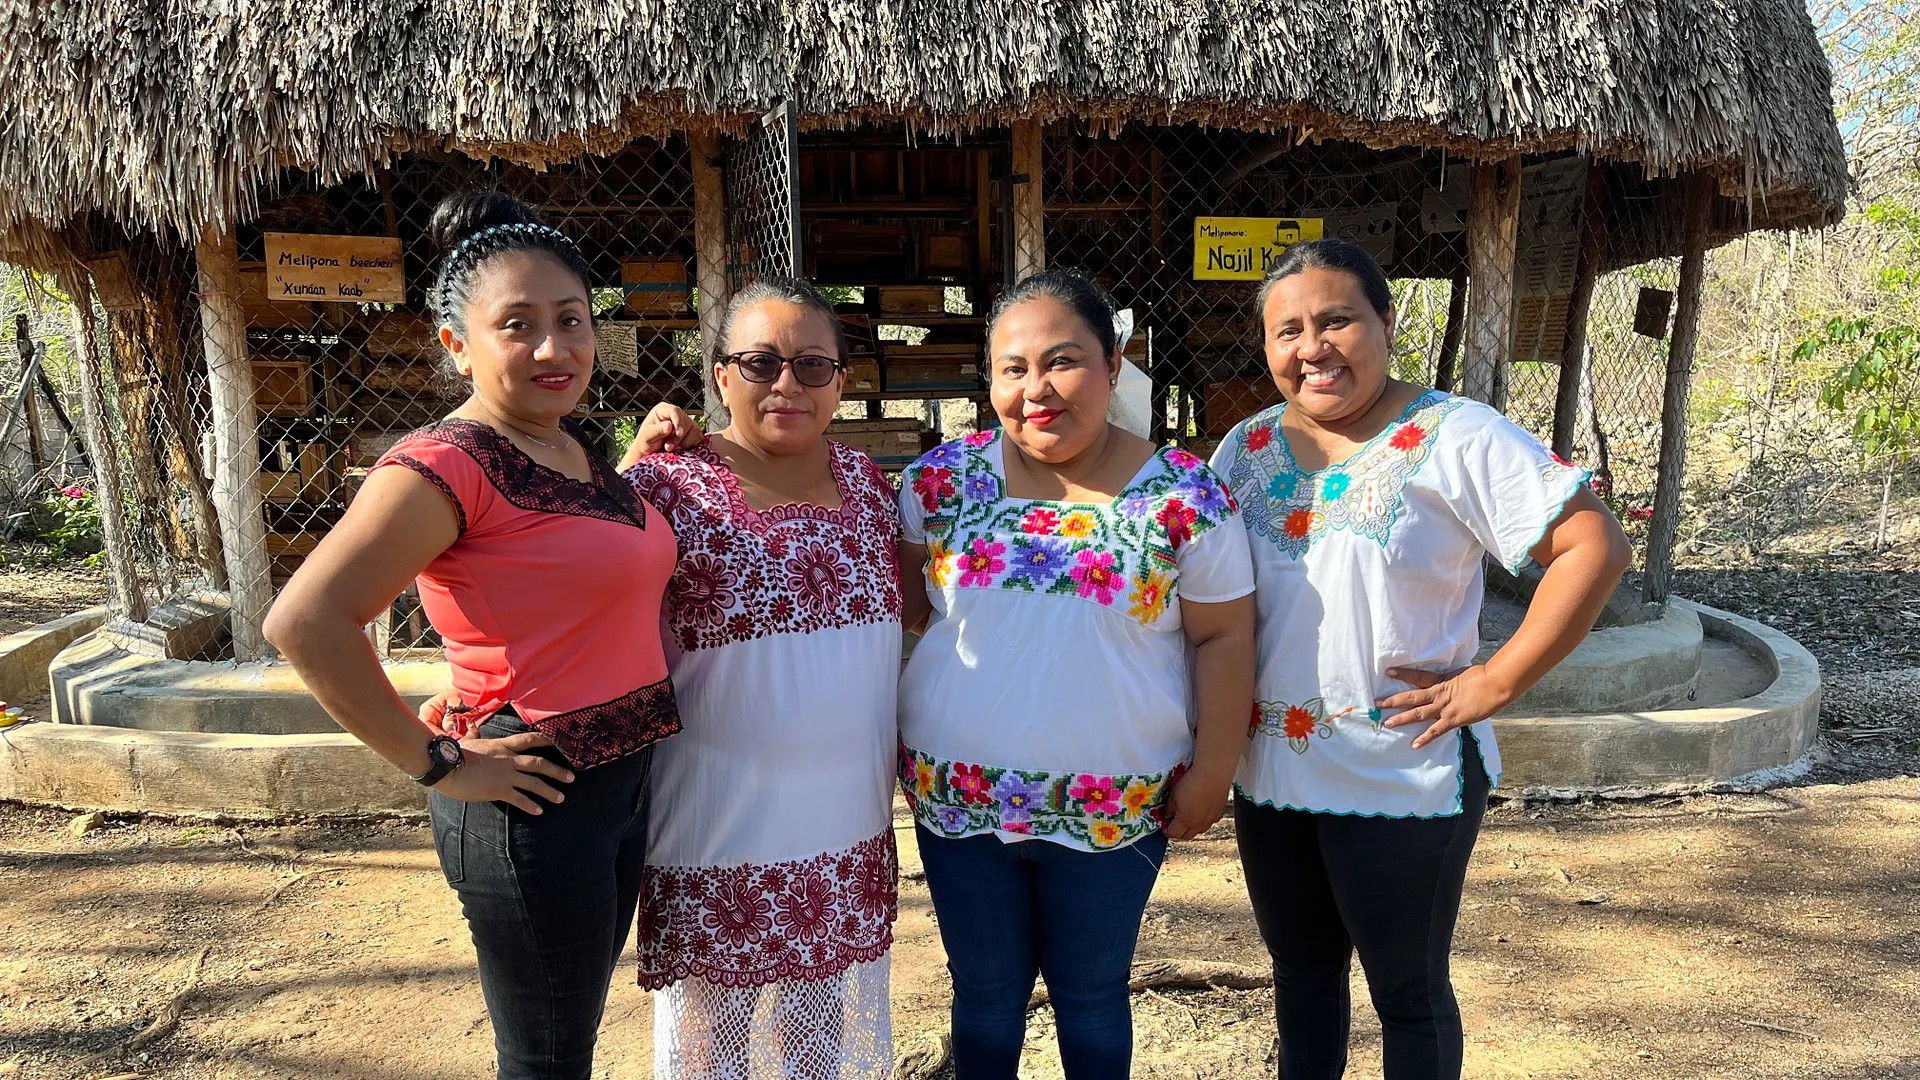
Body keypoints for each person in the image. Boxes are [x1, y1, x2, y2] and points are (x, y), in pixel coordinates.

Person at [263, 191, 680, 1080]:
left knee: (568, 1043)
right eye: (517, 325)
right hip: (529, 798)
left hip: (621, 783)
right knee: (546, 1060)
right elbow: (305, 622)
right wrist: (438, 763)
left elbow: (583, 560)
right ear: (458, 345)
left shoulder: (570, 450)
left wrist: (643, 458)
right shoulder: (445, 465)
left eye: (571, 321)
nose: (553, 348)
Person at [1208, 239, 1633, 1080]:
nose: (1312, 347)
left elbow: (1595, 545)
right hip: (1271, 772)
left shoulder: (1456, 436)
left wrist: (1497, 678)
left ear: (1386, 322)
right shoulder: (1243, 449)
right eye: (1287, 330)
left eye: (1337, 320)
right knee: (1300, 978)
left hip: (1405, 770)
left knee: (1405, 991)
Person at [895, 269, 1256, 1079]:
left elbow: (1225, 638)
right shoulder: (938, 482)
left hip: (1114, 801)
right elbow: (913, 604)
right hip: (956, 797)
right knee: (984, 997)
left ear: (1113, 363)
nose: (1037, 390)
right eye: (1013, 369)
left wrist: (1216, 768)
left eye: (1062, 362)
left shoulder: (1185, 496)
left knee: (1092, 997)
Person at [619, 278, 902, 1079]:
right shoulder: (664, 488)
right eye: (761, 363)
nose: (788, 385)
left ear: (843, 382)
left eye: (814, 366)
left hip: (845, 820)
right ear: (718, 377)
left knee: (821, 1028)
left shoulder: (871, 490)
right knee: (719, 1037)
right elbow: (581, 580)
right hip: (718, 824)